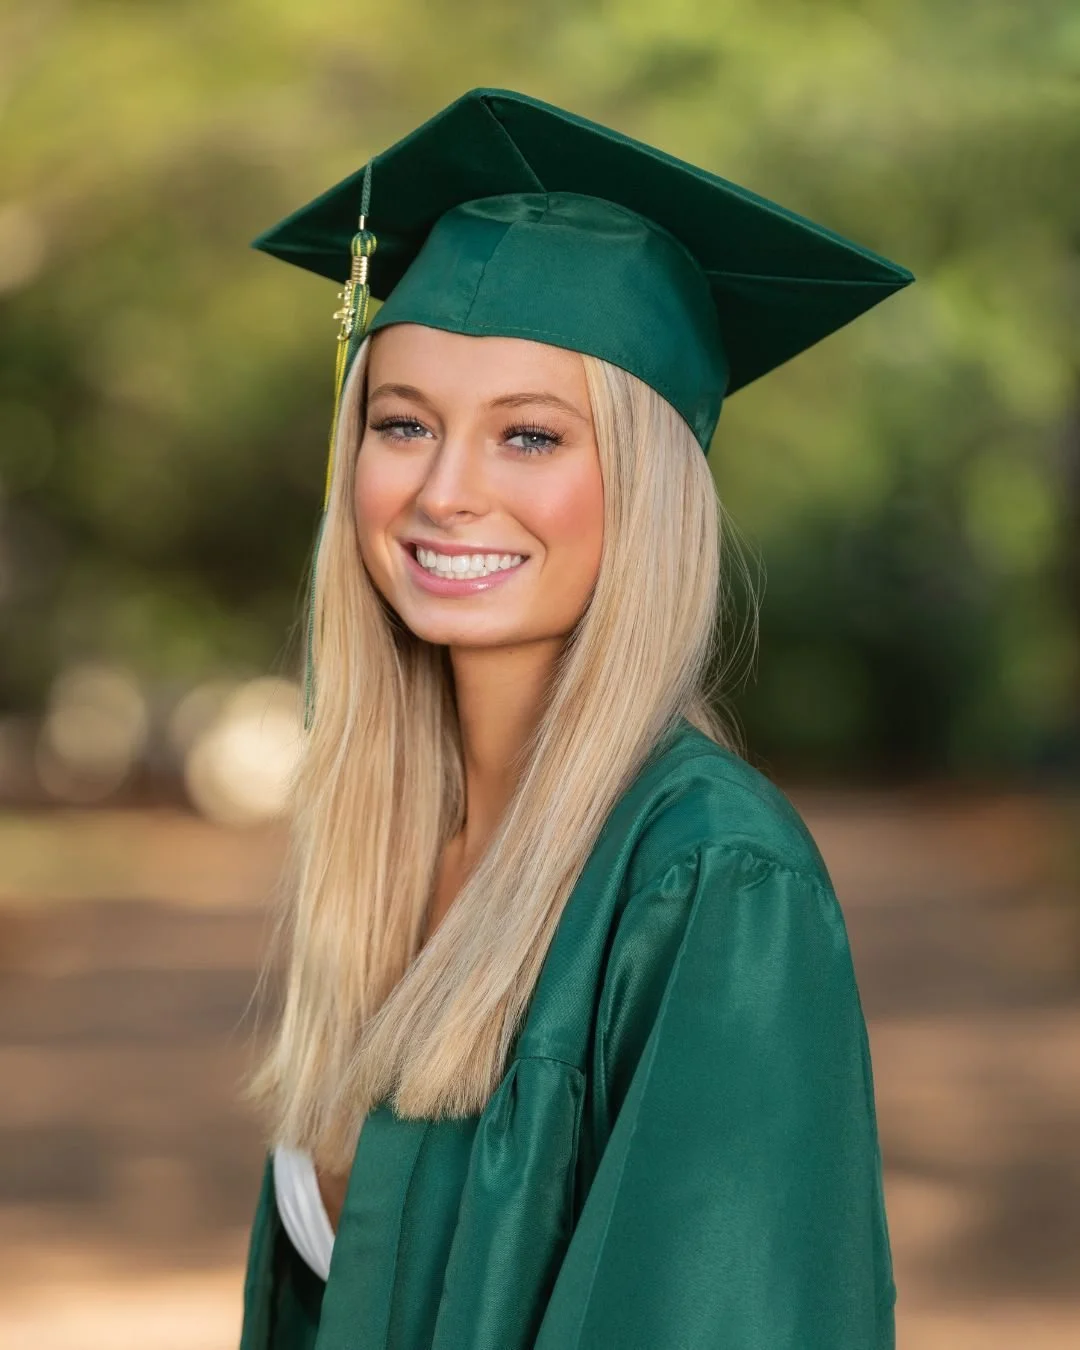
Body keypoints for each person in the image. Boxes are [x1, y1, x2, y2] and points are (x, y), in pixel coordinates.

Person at [238, 88, 913, 1350]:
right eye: (403, 423)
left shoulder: (709, 880)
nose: (446, 491)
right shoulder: (387, 849)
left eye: (531, 437)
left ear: (647, 486)